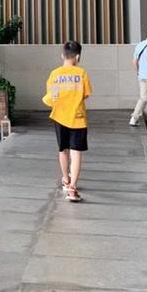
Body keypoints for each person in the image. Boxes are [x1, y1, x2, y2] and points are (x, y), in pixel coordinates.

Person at [42, 41, 92, 202]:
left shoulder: (55, 74)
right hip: (78, 118)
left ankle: (65, 179)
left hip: (60, 117)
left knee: (63, 150)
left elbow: (53, 97)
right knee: (76, 152)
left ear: (62, 56)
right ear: (78, 57)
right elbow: (86, 94)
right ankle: (72, 188)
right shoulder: (81, 73)